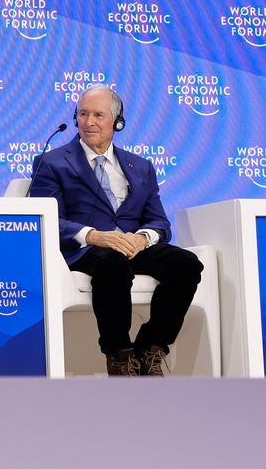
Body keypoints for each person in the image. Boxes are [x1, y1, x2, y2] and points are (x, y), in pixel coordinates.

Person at [29, 86, 202, 377]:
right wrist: (94, 235)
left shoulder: (141, 166)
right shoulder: (53, 162)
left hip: (132, 246)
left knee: (186, 265)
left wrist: (142, 238)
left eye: (98, 114)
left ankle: (150, 348)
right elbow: (47, 220)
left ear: (117, 122)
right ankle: (119, 354)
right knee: (112, 265)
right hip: (87, 248)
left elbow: (160, 223)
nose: (89, 121)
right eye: (83, 114)